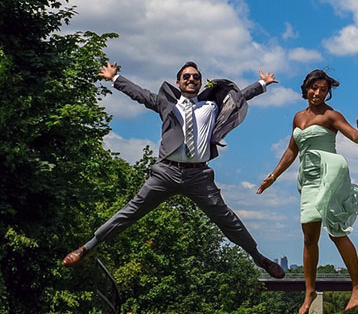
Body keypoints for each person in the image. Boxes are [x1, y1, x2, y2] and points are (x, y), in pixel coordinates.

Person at [62, 61, 286, 278]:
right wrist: (115, 78)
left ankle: (258, 257)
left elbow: (239, 96)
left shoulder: (211, 106)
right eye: (186, 76)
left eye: (196, 77)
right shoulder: (166, 103)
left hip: (198, 176)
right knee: (131, 211)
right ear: (178, 83)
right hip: (166, 172)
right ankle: (88, 247)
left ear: (200, 83)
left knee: (226, 218)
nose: (191, 79)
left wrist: (262, 84)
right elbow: (140, 94)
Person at [257, 70, 358, 314]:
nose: (317, 93)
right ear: (306, 88)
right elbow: (291, 151)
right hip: (309, 179)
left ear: (328, 93)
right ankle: (310, 291)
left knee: (335, 231)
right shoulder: (297, 117)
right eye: (314, 88)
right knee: (309, 237)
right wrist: (273, 176)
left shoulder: (330, 115)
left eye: (323, 90)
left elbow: (355, 137)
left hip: (329, 175)